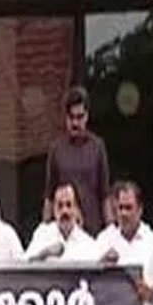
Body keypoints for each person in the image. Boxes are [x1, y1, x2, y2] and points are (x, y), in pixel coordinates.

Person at [44, 87, 112, 236]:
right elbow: (50, 195)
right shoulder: (56, 149)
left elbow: (105, 194)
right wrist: (44, 231)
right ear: (65, 117)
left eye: (79, 117)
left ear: (87, 116)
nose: (75, 122)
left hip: (93, 230)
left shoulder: (97, 147)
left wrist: (111, 233)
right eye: (71, 117)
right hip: (64, 232)